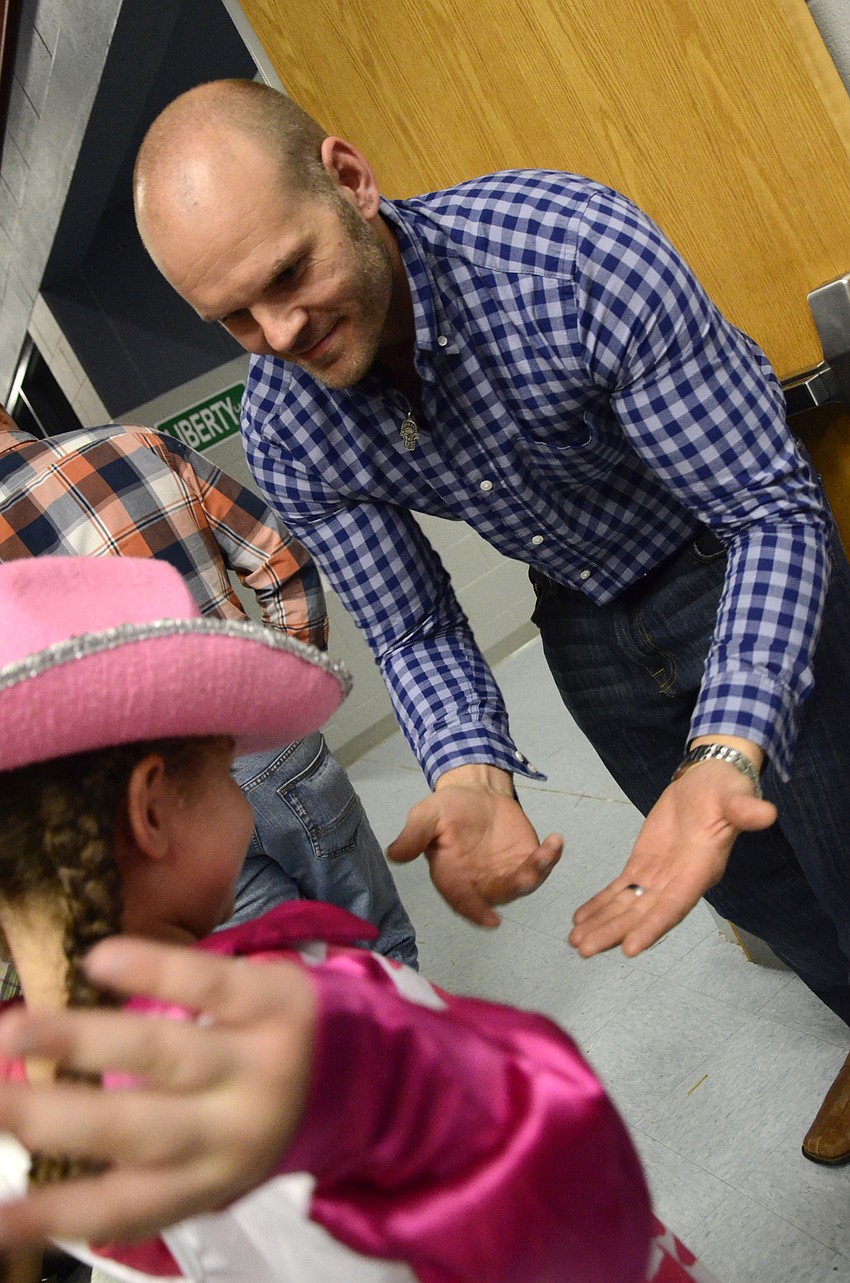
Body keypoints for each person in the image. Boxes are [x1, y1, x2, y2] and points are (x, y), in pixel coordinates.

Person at [130, 78, 850, 1161]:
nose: (278, 331)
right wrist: (468, 771)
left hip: (730, 555)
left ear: (348, 179)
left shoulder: (566, 251)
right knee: (752, 888)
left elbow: (767, 508)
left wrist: (726, 743)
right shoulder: (288, 421)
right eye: (234, 314)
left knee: (839, 847)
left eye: (288, 273)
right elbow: (414, 628)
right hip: (585, 619)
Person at [0, 554, 718, 1283]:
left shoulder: (18, 1090)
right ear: (153, 809)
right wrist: (381, 1075)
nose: (241, 801)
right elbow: (568, 1179)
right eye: (224, 774)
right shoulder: (316, 1015)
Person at [0, 406, 415, 967]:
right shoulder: (138, 445)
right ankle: (416, 1035)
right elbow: (280, 558)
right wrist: (275, 702)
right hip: (264, 745)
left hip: (148, 815)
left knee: (276, 973)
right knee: (375, 939)